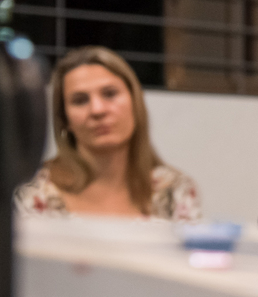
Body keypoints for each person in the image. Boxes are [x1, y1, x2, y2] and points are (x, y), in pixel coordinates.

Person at [16, 46, 200, 222]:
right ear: (64, 119)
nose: (97, 110)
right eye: (80, 100)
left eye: (110, 94)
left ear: (135, 103)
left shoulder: (175, 190)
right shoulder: (33, 192)